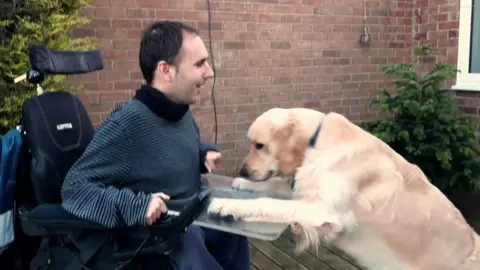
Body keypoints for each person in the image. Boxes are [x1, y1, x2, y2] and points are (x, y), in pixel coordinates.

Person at [60, 20, 250, 270]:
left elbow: (165, 151)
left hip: (190, 220)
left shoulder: (180, 113)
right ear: (166, 70)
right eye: (200, 63)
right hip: (154, 246)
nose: (209, 72)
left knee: (233, 221)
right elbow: (75, 189)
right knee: (190, 241)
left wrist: (201, 153)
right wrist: (137, 205)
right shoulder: (128, 124)